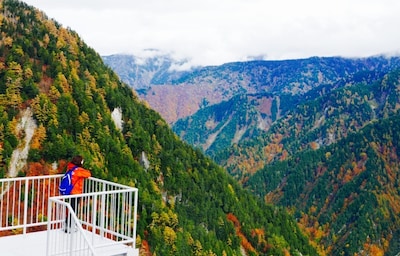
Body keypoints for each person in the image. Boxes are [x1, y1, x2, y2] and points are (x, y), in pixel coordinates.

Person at [64, 155, 91, 233]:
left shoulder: (70, 167)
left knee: (71, 208)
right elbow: (88, 174)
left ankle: (67, 224)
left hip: (70, 191)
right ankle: (70, 225)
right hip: (76, 192)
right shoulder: (78, 170)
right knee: (73, 209)